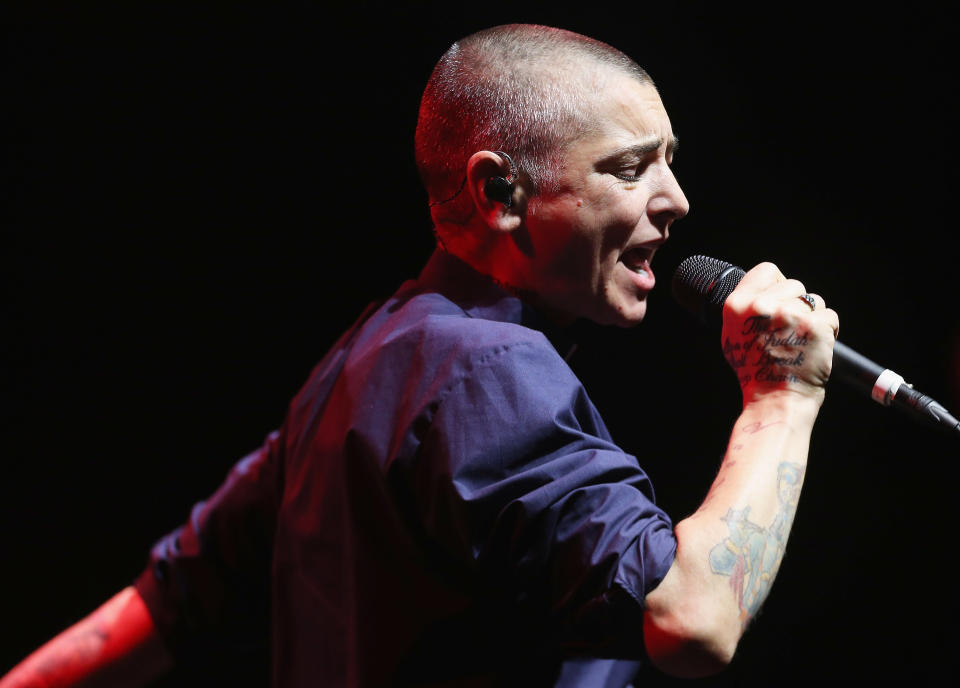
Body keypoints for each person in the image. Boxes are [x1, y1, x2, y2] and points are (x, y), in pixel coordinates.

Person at [1, 23, 839, 687]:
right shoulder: (487, 371)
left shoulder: (358, 368)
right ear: (498, 192)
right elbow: (693, 621)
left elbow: (164, 608)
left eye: (669, 161)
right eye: (629, 169)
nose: (675, 200)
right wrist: (780, 397)